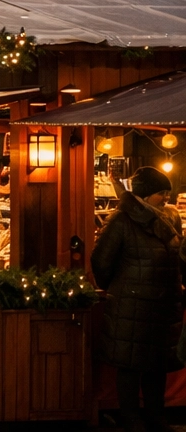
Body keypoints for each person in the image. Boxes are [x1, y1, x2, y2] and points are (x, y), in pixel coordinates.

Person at [93, 166, 182, 432]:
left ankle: (156, 416)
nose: (165, 197)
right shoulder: (121, 220)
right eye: (160, 193)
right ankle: (131, 418)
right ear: (144, 194)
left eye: (167, 192)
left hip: (163, 304)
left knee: (157, 365)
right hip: (131, 304)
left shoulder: (169, 218)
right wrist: (122, 289)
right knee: (130, 365)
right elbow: (101, 261)